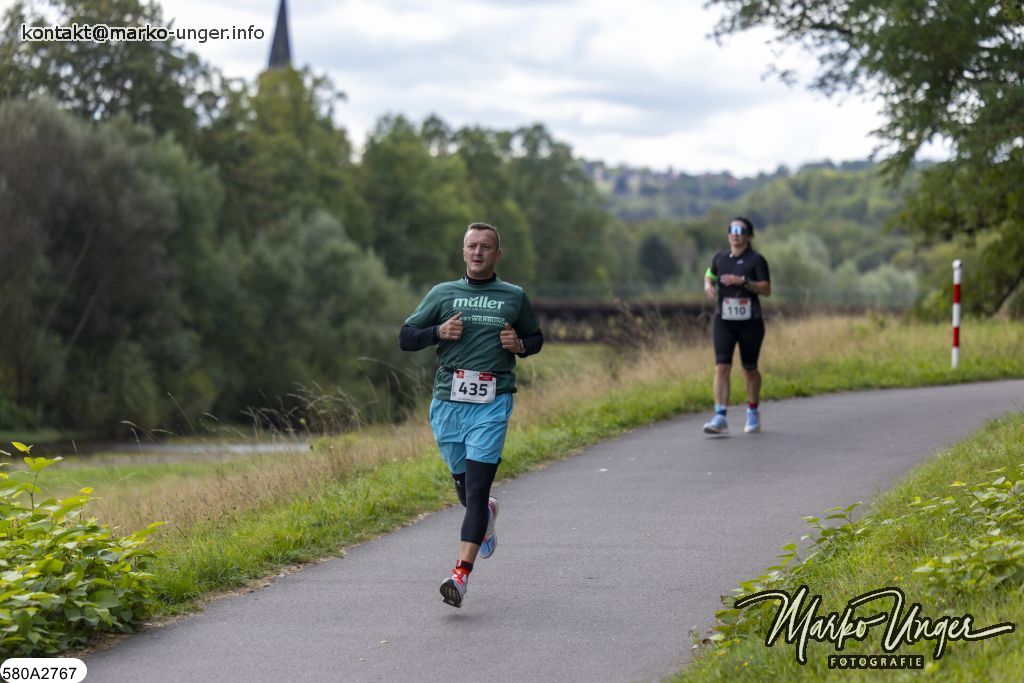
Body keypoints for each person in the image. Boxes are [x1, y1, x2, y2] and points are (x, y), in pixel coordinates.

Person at [399, 222, 543, 608]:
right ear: (463, 252)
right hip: (448, 402)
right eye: (472, 246)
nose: (478, 252)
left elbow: (536, 338)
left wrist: (520, 345)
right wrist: (437, 332)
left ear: (498, 254)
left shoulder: (514, 296)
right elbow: (406, 337)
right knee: (466, 492)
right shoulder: (442, 294)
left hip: (493, 401)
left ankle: (460, 575)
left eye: (486, 246)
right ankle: (487, 515)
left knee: (477, 491)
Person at [702, 216, 772, 435]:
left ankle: (753, 412)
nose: (735, 234)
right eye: (732, 229)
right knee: (722, 366)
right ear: (728, 234)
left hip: (750, 323)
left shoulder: (756, 260)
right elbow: (710, 273)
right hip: (724, 321)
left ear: (749, 236)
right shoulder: (720, 258)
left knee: (749, 369)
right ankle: (720, 416)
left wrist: (744, 282)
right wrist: (708, 284)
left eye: (741, 230)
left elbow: (766, 289)